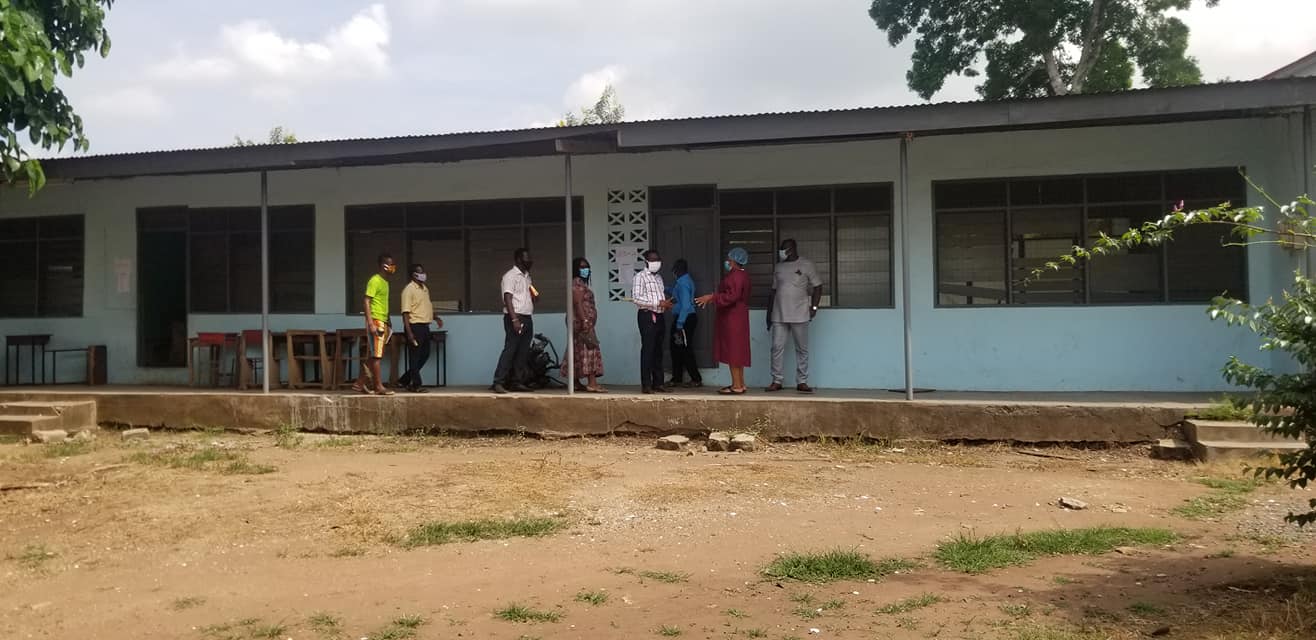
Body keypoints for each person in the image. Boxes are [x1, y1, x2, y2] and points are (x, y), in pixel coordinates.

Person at [766, 238, 823, 394]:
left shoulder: (806, 265)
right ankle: (777, 380)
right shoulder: (778, 267)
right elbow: (773, 291)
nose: (781, 252)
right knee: (776, 347)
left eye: (783, 249)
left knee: (802, 349)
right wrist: (769, 313)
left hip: (800, 313)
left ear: (791, 249)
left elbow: (818, 286)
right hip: (779, 314)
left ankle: (802, 381)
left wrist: (815, 307)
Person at [696, 247, 752, 395]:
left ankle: (736, 386)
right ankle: (740, 382)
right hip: (738, 315)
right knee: (738, 350)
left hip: (732, 317)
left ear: (734, 260)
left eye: (729, 258)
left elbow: (732, 296)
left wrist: (712, 298)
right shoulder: (742, 275)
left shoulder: (736, 276)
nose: (727, 261)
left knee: (733, 351)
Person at [491, 248, 538, 394]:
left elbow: (529, 294)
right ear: (518, 259)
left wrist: (534, 297)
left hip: (527, 316)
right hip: (515, 317)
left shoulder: (527, 277)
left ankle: (517, 381)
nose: (529, 261)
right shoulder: (510, 276)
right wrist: (514, 319)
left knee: (523, 351)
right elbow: (507, 298)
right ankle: (498, 382)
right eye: (526, 258)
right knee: (510, 349)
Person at [353, 253, 396, 396]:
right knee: (377, 356)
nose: (392, 267)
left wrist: (388, 320)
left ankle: (359, 383)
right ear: (384, 265)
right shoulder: (375, 280)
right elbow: (366, 301)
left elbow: (384, 303)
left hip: (383, 320)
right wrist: (371, 323)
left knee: (376, 354)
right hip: (376, 320)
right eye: (390, 264)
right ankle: (378, 387)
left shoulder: (386, 282)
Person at [631, 249, 673, 394]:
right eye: (653, 260)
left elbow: (660, 298)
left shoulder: (659, 278)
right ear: (646, 261)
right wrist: (658, 303)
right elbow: (636, 298)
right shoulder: (640, 277)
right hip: (647, 316)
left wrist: (665, 305)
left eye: (658, 260)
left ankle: (658, 383)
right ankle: (646, 384)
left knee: (658, 350)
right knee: (648, 349)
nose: (656, 263)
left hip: (660, 316)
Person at [399, 263, 443, 393]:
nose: (423, 274)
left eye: (423, 271)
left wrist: (435, 317)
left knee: (425, 354)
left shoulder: (424, 288)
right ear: (414, 274)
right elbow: (405, 313)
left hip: (425, 326)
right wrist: (409, 332)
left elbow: (425, 307)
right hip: (414, 326)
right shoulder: (408, 290)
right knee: (415, 356)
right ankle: (415, 384)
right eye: (420, 272)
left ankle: (405, 379)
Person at [567, 256, 606, 393]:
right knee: (591, 348)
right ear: (576, 270)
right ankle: (592, 383)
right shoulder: (577, 284)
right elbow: (577, 304)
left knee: (577, 349)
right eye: (582, 267)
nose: (585, 270)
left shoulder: (582, 284)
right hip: (582, 323)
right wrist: (585, 320)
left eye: (587, 267)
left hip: (582, 322)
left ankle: (575, 381)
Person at [667, 259, 702, 388]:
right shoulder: (684, 281)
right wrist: (665, 289)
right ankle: (677, 378)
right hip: (685, 319)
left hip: (685, 320)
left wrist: (680, 324)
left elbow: (686, 305)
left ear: (676, 270)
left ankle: (695, 378)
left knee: (685, 349)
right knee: (677, 348)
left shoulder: (683, 283)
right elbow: (675, 292)